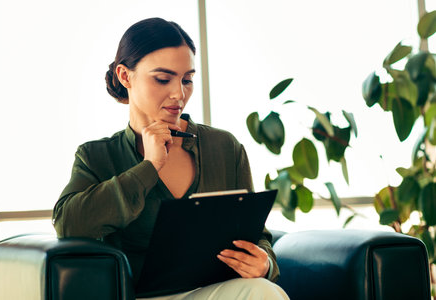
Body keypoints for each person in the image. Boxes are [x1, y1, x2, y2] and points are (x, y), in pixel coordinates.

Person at [52, 17, 289, 300]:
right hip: (142, 296)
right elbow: (68, 225)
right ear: (125, 76)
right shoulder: (97, 156)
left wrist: (264, 261)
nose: (179, 94)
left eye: (187, 79)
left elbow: (257, 234)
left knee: (262, 290)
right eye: (163, 79)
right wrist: (148, 167)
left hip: (216, 292)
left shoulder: (224, 147)